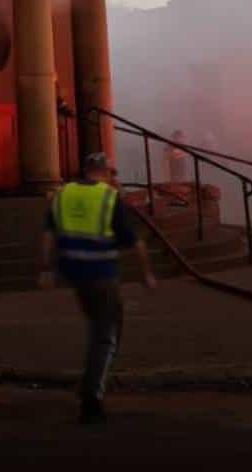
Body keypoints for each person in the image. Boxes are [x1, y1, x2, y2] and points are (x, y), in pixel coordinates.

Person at [38, 152, 157, 425]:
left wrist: (46, 270)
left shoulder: (63, 194)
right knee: (106, 336)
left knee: (100, 328)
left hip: (74, 274)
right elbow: (136, 243)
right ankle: (92, 397)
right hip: (101, 275)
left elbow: (47, 235)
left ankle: (93, 379)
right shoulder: (108, 198)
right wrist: (146, 274)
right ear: (104, 172)